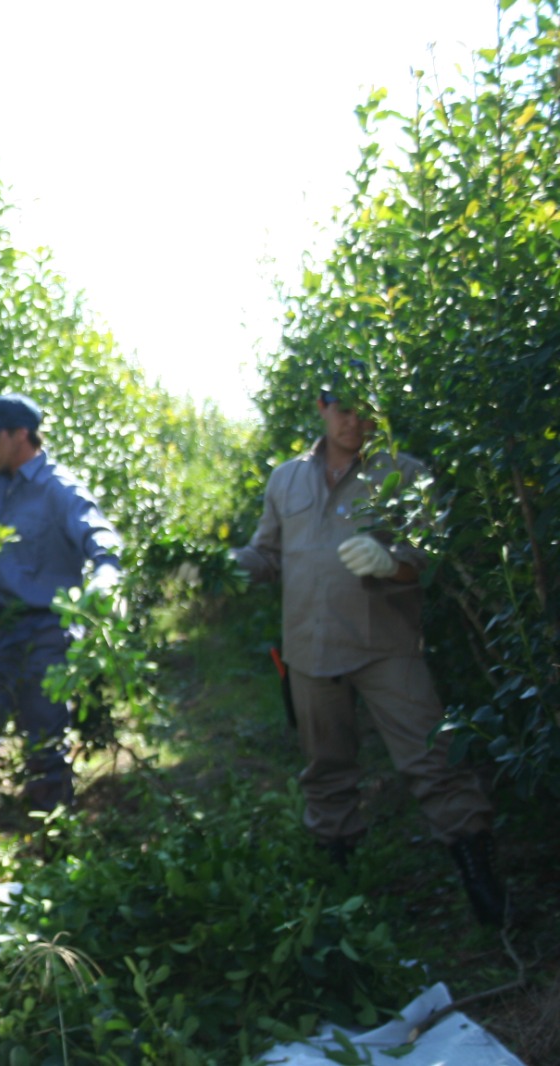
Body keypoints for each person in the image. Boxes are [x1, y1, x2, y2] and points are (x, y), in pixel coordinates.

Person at [230, 376, 506, 926]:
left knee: (433, 760)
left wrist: (392, 560)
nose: (352, 422)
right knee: (326, 768)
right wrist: (224, 565)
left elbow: (426, 550)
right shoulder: (286, 480)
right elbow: (268, 555)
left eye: (363, 411)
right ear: (321, 408)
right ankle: (340, 888)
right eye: (341, 410)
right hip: (308, 648)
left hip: (386, 646)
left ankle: (480, 876)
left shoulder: (405, 472)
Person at [0, 393, 123, 812]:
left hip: (49, 630)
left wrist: (107, 573)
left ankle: (50, 832)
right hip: (0, 629)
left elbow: (101, 538)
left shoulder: (59, 489)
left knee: (45, 732)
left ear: (21, 435)